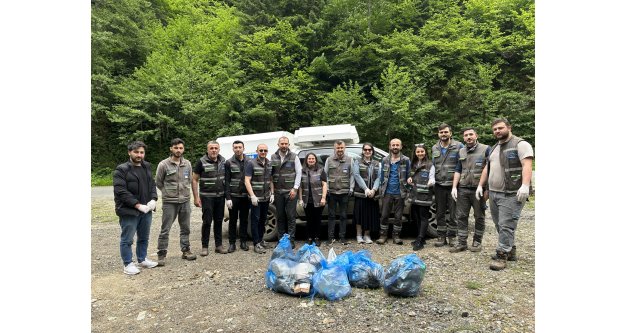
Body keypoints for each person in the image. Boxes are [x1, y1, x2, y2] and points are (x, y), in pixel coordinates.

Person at [476, 118, 533, 271]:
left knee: (506, 225)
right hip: (494, 193)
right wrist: (481, 186)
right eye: (495, 129)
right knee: (498, 224)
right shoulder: (494, 147)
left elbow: (527, 164)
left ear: (509, 127)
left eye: (500, 128)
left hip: (511, 193)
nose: (497, 131)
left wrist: (525, 185)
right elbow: (487, 169)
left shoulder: (520, 144)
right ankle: (511, 251)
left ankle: (502, 255)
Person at [113, 141, 159, 275]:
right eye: (136, 152)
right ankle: (128, 264)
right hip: (129, 211)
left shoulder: (147, 166)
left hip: (146, 210)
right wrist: (137, 205)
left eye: (142, 152)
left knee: (144, 237)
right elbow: (121, 191)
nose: (139, 155)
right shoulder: (121, 170)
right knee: (127, 239)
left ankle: (142, 259)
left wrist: (153, 199)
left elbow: (152, 185)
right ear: (129, 152)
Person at [155, 138, 196, 266]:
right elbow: (158, 182)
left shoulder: (187, 164)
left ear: (183, 149)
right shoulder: (163, 164)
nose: (178, 150)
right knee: (165, 229)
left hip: (185, 201)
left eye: (181, 148)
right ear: (171, 149)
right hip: (169, 202)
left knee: (185, 228)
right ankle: (161, 254)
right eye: (176, 148)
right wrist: (167, 192)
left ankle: (186, 250)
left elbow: (189, 180)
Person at [449, 128, 491, 253]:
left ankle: (477, 241)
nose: (468, 137)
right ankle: (462, 242)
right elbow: (458, 169)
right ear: (463, 138)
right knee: (461, 216)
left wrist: (486, 188)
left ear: (476, 135)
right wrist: (454, 187)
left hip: (479, 190)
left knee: (479, 216)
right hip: (463, 189)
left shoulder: (485, 149)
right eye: (466, 135)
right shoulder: (461, 151)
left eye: (471, 134)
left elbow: (490, 169)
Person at [192, 141, 228, 256]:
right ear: (207, 150)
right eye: (211, 148)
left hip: (220, 196)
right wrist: (196, 197)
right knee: (207, 221)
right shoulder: (201, 162)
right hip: (207, 197)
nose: (214, 150)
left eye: (216, 148)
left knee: (219, 221)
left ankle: (219, 245)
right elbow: (194, 179)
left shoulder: (223, 161)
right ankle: (205, 247)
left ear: (219, 149)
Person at [431, 123, 464, 247]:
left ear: (450, 133)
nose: (443, 134)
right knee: (439, 212)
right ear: (438, 134)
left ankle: (452, 237)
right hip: (439, 185)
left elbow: (462, 165)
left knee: (453, 212)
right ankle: (441, 236)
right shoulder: (434, 148)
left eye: (446, 132)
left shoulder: (459, 146)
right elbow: (434, 166)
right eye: (441, 132)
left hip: (453, 185)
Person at [377, 138, 412, 245]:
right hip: (387, 192)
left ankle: (396, 236)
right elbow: (382, 177)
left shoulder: (405, 160)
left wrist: (408, 189)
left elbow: (409, 175)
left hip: (400, 192)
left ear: (401, 147)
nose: (395, 147)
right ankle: (383, 236)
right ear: (389, 146)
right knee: (384, 215)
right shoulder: (385, 160)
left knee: (398, 216)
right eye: (393, 145)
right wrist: (381, 190)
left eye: (397, 145)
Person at [270, 137, 301, 248]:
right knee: (280, 217)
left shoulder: (294, 157)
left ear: (289, 144)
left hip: (290, 192)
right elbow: (271, 175)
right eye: (282, 143)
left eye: (286, 144)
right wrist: (272, 192)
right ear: (278, 144)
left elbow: (299, 173)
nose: (284, 145)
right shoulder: (273, 157)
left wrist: (295, 188)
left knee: (291, 217)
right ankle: (281, 241)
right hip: (278, 192)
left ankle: (291, 240)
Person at [324, 140, 354, 245]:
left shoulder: (350, 160)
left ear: (344, 148)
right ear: (334, 148)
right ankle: (330, 237)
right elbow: (325, 175)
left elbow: (352, 175)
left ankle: (342, 238)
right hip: (331, 192)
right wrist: (326, 188)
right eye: (338, 148)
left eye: (341, 148)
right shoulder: (329, 160)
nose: (340, 150)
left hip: (345, 192)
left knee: (343, 216)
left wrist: (351, 188)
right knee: (331, 216)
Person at [245, 144, 273, 254]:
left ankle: (261, 240)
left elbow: (270, 179)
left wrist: (272, 193)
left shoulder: (269, 163)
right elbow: (247, 180)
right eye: (261, 150)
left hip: (266, 197)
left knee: (263, 220)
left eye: (265, 150)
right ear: (257, 151)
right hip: (256, 198)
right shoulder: (251, 163)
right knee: (255, 220)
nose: (263, 152)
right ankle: (256, 243)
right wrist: (252, 195)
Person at [224, 140, 251, 253]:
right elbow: (226, 181)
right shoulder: (229, 162)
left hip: (245, 196)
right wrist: (228, 198)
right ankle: (232, 243)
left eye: (240, 147)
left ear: (243, 148)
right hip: (234, 196)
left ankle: (243, 242)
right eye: (236, 147)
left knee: (244, 220)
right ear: (233, 149)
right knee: (233, 220)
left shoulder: (250, 161)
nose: (238, 149)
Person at [352, 142, 381, 244]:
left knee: (369, 215)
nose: (367, 151)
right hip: (361, 193)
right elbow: (356, 175)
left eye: (369, 150)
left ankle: (367, 235)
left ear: (372, 151)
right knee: (359, 215)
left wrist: (373, 189)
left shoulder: (377, 163)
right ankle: (359, 235)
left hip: (372, 194)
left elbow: (379, 177)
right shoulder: (357, 161)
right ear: (363, 151)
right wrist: (365, 189)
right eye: (365, 150)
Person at [298, 153, 328, 246]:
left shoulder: (321, 170)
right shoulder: (302, 171)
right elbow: (300, 187)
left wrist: (323, 198)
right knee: (309, 220)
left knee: (317, 220)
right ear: (306, 160)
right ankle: (309, 238)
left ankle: (317, 238)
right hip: (307, 200)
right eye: (309, 159)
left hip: (318, 199)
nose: (311, 160)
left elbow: (324, 185)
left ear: (315, 160)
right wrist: (300, 199)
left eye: (313, 159)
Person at [408, 143, 434, 251]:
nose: (420, 153)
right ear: (415, 153)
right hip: (414, 195)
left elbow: (432, 177)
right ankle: (420, 238)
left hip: (424, 195)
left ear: (425, 152)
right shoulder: (413, 164)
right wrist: (409, 178)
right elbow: (411, 175)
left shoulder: (430, 165)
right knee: (416, 217)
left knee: (423, 217)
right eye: (418, 152)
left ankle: (420, 239)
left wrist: (432, 181)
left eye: (422, 151)